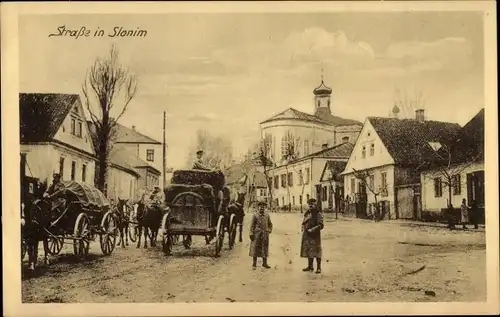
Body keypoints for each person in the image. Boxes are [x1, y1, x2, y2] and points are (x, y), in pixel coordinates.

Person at [301, 198, 324, 274]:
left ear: (315, 204)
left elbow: (321, 225)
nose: (310, 205)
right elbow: (304, 221)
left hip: (315, 235)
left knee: (317, 251)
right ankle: (310, 266)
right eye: (309, 204)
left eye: (312, 204)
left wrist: (313, 229)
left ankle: (319, 268)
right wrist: (303, 227)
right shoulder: (307, 213)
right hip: (307, 234)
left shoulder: (318, 213)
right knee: (309, 250)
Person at [249, 198, 273, 269]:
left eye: (263, 206)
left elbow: (270, 224)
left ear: (265, 207)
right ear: (258, 207)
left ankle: (264, 263)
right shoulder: (255, 215)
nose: (262, 208)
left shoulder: (267, 215)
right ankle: (254, 263)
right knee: (255, 248)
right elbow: (252, 225)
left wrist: (269, 230)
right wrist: (251, 233)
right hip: (257, 234)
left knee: (264, 248)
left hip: (265, 234)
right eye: (260, 206)